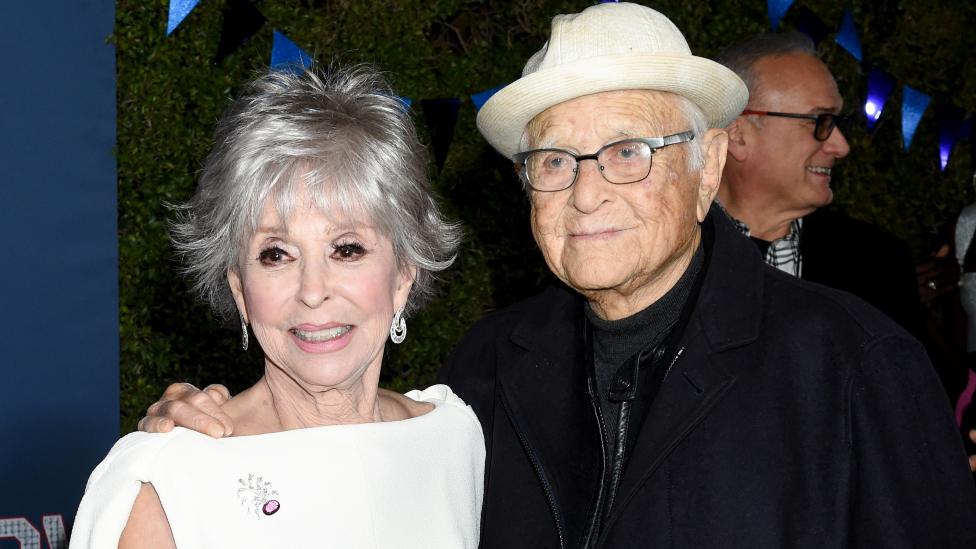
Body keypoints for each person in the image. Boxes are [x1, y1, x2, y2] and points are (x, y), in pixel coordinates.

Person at [141, 3, 976, 547]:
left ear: (708, 162)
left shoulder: (857, 368)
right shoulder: (485, 373)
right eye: (553, 158)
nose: (585, 193)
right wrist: (201, 431)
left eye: (627, 151)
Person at [70, 66, 484, 549]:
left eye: (346, 249)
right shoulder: (168, 481)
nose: (313, 290)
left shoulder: (456, 438)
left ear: (404, 275)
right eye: (276, 254)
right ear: (240, 290)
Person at [714, 32, 925, 339]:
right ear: (737, 135)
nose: (841, 146)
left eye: (837, 123)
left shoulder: (878, 262)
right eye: (819, 122)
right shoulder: (662, 249)